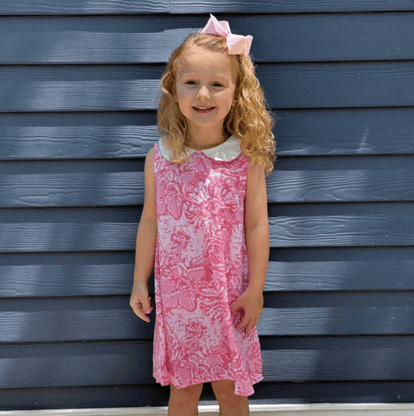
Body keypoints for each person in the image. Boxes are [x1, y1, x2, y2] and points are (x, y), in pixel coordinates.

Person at [130, 14, 275, 416]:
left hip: (231, 300)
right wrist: (139, 281)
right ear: (173, 91)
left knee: (231, 394)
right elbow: (150, 222)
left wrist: (257, 287)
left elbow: (257, 226)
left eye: (216, 84)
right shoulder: (160, 158)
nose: (203, 94)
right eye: (191, 83)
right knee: (183, 394)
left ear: (236, 92)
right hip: (179, 303)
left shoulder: (246, 160)